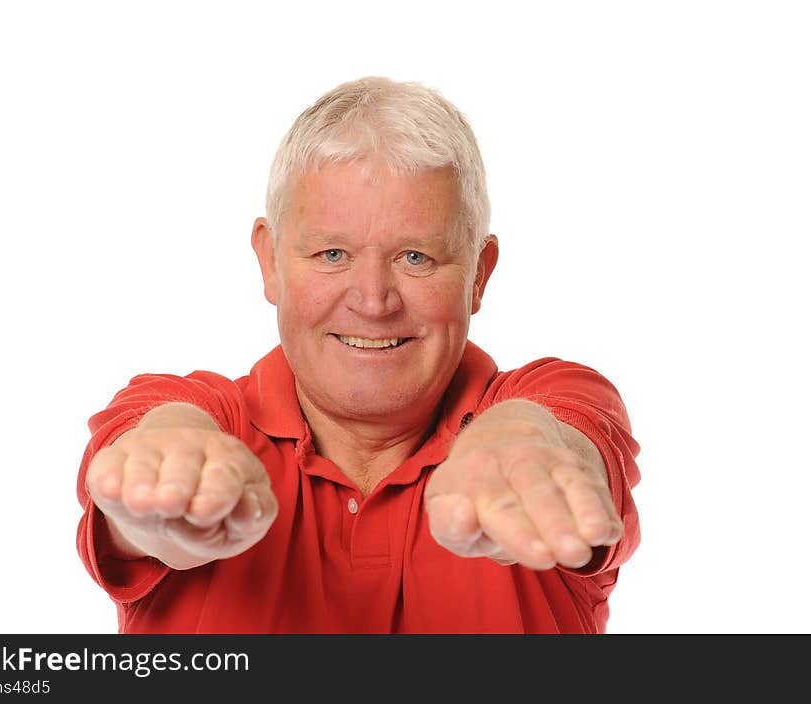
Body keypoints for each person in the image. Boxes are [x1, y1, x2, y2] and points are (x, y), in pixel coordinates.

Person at [76, 76, 641, 634]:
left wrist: (527, 447)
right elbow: (139, 468)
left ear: (479, 273)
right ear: (269, 261)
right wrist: (163, 505)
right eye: (332, 253)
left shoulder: (559, 399)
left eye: (416, 257)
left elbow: (572, 437)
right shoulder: (187, 412)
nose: (373, 301)